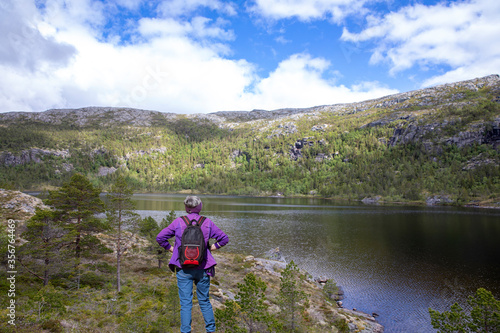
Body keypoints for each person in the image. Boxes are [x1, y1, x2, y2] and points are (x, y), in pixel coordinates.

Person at [156, 196, 229, 333]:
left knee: (185, 304)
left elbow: (160, 237)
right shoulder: (207, 223)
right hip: (203, 268)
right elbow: (224, 239)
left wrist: (171, 249)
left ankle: (185, 331)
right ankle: (210, 330)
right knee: (204, 301)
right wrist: (212, 248)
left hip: (184, 269)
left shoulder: (178, 222)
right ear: (199, 207)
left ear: (186, 208)